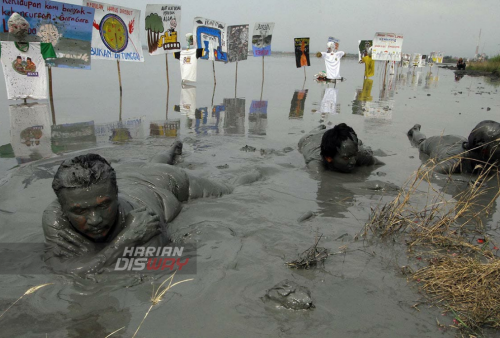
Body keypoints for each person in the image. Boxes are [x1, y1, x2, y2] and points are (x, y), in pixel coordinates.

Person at [42, 141, 256, 276]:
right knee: (153, 166)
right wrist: (126, 240)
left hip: (166, 183)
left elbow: (140, 268)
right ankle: (170, 151)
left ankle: (262, 170)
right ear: (62, 207)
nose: (95, 219)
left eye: (105, 205)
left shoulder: (144, 219)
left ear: (116, 195)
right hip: (138, 176)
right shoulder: (55, 218)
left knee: (232, 189)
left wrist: (112, 250)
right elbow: (60, 267)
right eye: (80, 212)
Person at [407, 121, 500, 174]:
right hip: (439, 143)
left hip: (459, 140)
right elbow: (423, 172)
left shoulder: (492, 157)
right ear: (482, 147)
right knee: (421, 142)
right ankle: (415, 130)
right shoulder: (454, 162)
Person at [298, 123, 384, 173]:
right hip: (311, 138)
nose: (353, 161)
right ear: (329, 158)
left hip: (337, 142)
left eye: (354, 155)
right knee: (308, 136)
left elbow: (379, 164)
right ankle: (318, 128)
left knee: (364, 148)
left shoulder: (357, 154)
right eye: (346, 158)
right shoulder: (316, 163)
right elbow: (324, 181)